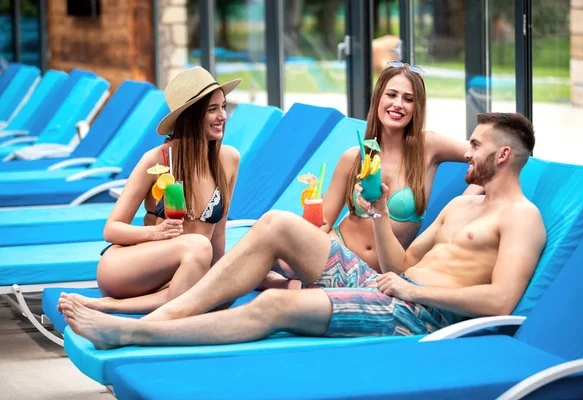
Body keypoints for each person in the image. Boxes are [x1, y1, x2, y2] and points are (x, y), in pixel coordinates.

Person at [59, 112, 547, 349]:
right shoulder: (463, 204)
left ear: (503, 156)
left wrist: (410, 289)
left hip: (424, 316)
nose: (467, 151)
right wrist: (377, 211)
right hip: (395, 288)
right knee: (278, 223)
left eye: (477, 144)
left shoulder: (521, 217)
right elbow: (404, 265)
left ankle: (134, 334)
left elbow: (501, 302)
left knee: (275, 304)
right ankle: (158, 317)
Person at [262, 61, 482, 290]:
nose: (398, 104)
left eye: (408, 99)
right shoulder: (354, 157)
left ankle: (282, 284)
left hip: (376, 274)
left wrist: (466, 199)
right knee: (272, 252)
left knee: (295, 284)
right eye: (392, 95)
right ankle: (278, 278)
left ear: (417, 107)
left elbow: (483, 154)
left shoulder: (428, 147)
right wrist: (304, 236)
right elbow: (323, 222)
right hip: (335, 252)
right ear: (378, 98)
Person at [88, 67, 242, 314]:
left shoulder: (229, 159)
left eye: (223, 107)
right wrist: (155, 233)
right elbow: (112, 229)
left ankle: (115, 307)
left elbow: (219, 234)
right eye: (212, 110)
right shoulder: (156, 160)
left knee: (227, 289)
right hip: (131, 267)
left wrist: (217, 280)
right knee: (200, 247)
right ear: (191, 117)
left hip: (181, 274)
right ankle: (119, 303)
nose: (222, 116)